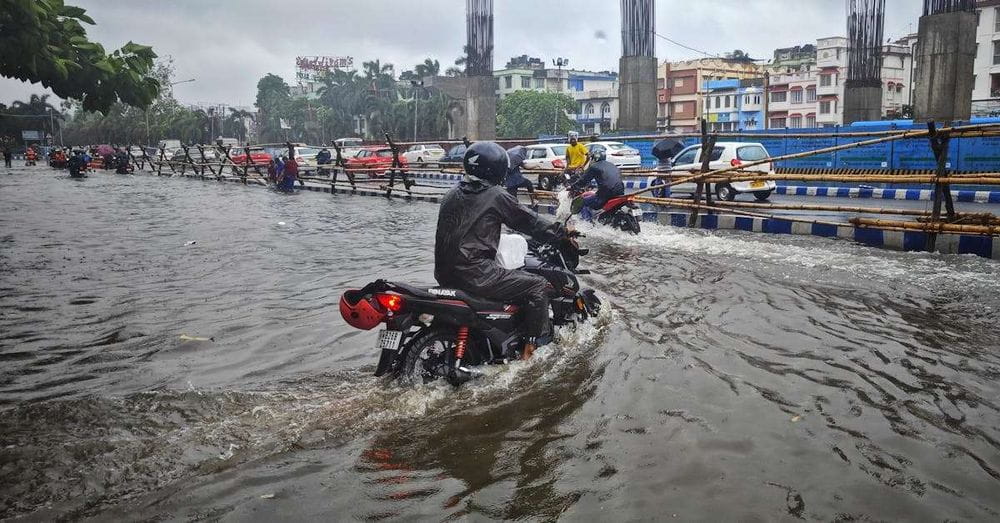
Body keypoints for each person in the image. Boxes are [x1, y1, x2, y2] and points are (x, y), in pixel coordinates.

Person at [434, 141, 570, 361]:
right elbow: (529, 222)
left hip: (444, 274)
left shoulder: (452, 193)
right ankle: (532, 349)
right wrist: (561, 233)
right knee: (536, 285)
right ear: (496, 168)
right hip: (476, 274)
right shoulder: (496, 195)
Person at [570, 148, 625, 222]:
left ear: (595, 157)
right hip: (620, 193)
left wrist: (573, 186)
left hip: (605, 195)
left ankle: (586, 224)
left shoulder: (594, 167)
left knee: (583, 202)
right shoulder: (612, 165)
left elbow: (583, 181)